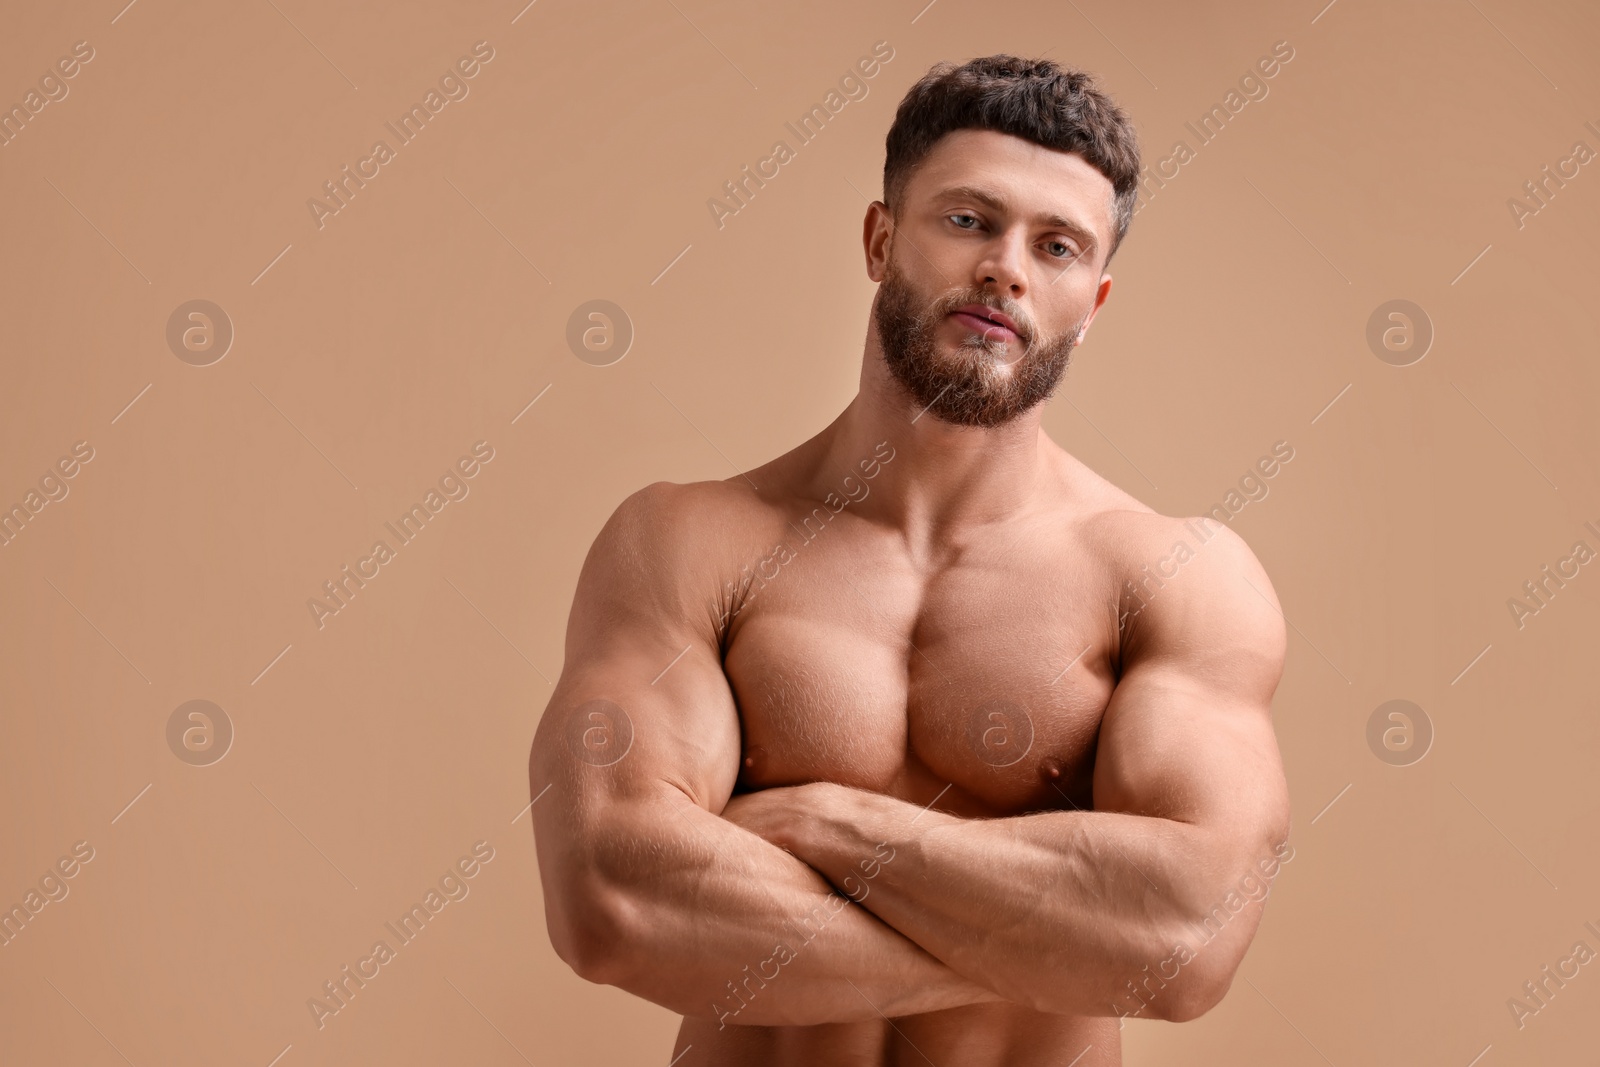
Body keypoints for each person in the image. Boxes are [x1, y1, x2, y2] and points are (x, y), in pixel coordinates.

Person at [529, 54, 1291, 1066]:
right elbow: (613, 898)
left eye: (1056, 246)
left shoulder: (1175, 577)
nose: (1006, 269)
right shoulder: (687, 541)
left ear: (1094, 298)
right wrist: (1066, 941)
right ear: (881, 239)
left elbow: (1188, 938)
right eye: (969, 220)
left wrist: (828, 821)